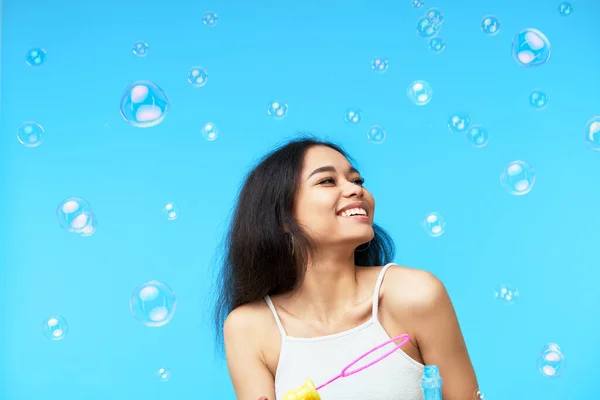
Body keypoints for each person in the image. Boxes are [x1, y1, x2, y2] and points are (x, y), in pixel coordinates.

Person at [212, 134, 479, 400]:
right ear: (282, 217)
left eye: (356, 180)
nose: (355, 190)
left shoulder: (415, 294)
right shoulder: (248, 328)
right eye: (327, 181)